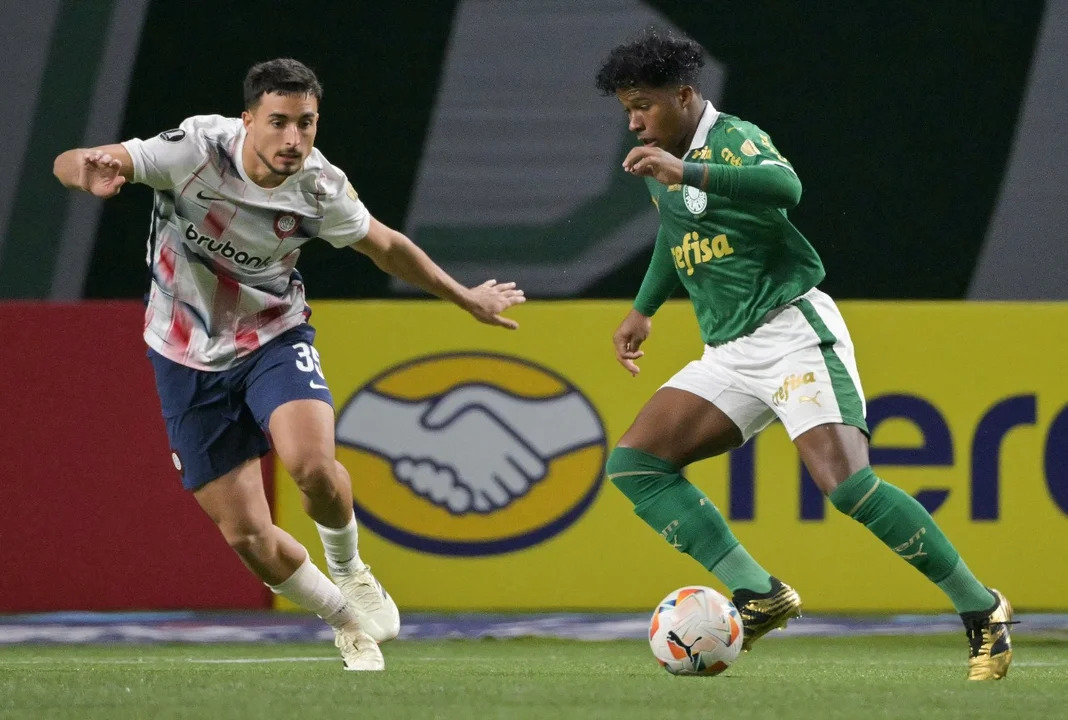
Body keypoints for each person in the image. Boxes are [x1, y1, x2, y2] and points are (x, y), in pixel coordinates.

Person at [53, 58, 524, 672]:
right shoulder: (192, 150)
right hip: (182, 353)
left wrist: (465, 297)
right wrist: (87, 171)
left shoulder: (320, 186)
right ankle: (347, 622)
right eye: (278, 123)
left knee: (312, 469)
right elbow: (78, 159)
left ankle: (352, 570)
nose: (293, 139)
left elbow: (386, 246)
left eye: (306, 124)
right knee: (248, 537)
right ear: (248, 120)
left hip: (273, 335)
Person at [595, 31, 1013, 681]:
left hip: (791, 330)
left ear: (683, 96)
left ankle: (982, 608)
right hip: (731, 350)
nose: (634, 121)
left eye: (643, 105)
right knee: (637, 465)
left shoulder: (730, 138)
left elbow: (784, 188)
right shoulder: (660, 160)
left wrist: (689, 170)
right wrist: (644, 309)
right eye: (626, 109)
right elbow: (676, 236)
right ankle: (758, 594)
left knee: (847, 486)